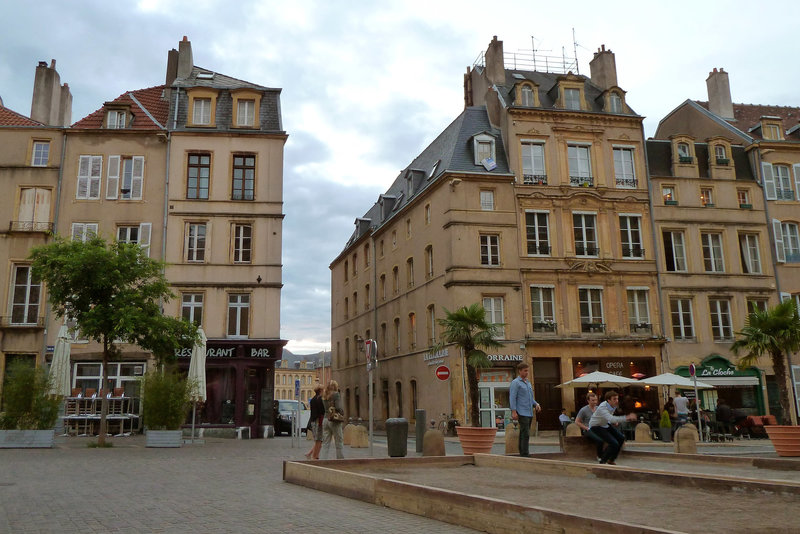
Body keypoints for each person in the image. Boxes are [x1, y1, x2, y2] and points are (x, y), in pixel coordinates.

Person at [589, 390, 637, 465]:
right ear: (608, 400)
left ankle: (611, 459)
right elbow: (611, 418)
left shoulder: (613, 406)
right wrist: (627, 417)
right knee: (614, 443)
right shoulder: (603, 407)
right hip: (596, 426)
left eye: (617, 399)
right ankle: (602, 461)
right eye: (614, 399)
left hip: (605, 424)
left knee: (621, 438)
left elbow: (609, 418)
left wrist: (613, 422)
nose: (616, 401)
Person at [509, 362, 542, 457]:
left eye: (528, 370)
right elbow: (512, 397)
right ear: (520, 371)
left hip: (529, 411)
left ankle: (523, 451)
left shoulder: (528, 383)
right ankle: (524, 453)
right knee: (525, 433)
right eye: (525, 371)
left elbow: (530, 397)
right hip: (521, 411)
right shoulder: (515, 383)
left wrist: (536, 404)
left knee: (525, 433)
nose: (527, 372)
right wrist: (514, 411)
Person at [575, 392, 605, 460]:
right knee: (600, 440)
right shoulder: (583, 410)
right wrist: (586, 428)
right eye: (593, 400)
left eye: (596, 400)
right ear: (588, 401)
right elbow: (577, 422)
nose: (595, 402)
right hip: (588, 429)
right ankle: (600, 456)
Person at [321, 380, 345, 459]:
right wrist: (342, 412)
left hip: (325, 419)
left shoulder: (324, 396)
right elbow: (337, 407)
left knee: (325, 443)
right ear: (335, 387)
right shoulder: (336, 394)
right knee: (339, 442)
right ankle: (340, 460)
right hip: (334, 420)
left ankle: (323, 460)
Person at [304, 384, 325, 459]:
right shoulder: (319, 399)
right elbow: (322, 411)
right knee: (319, 440)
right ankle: (315, 456)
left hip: (313, 421)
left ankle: (311, 454)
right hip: (318, 421)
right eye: (323, 390)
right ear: (320, 391)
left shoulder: (313, 399)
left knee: (318, 440)